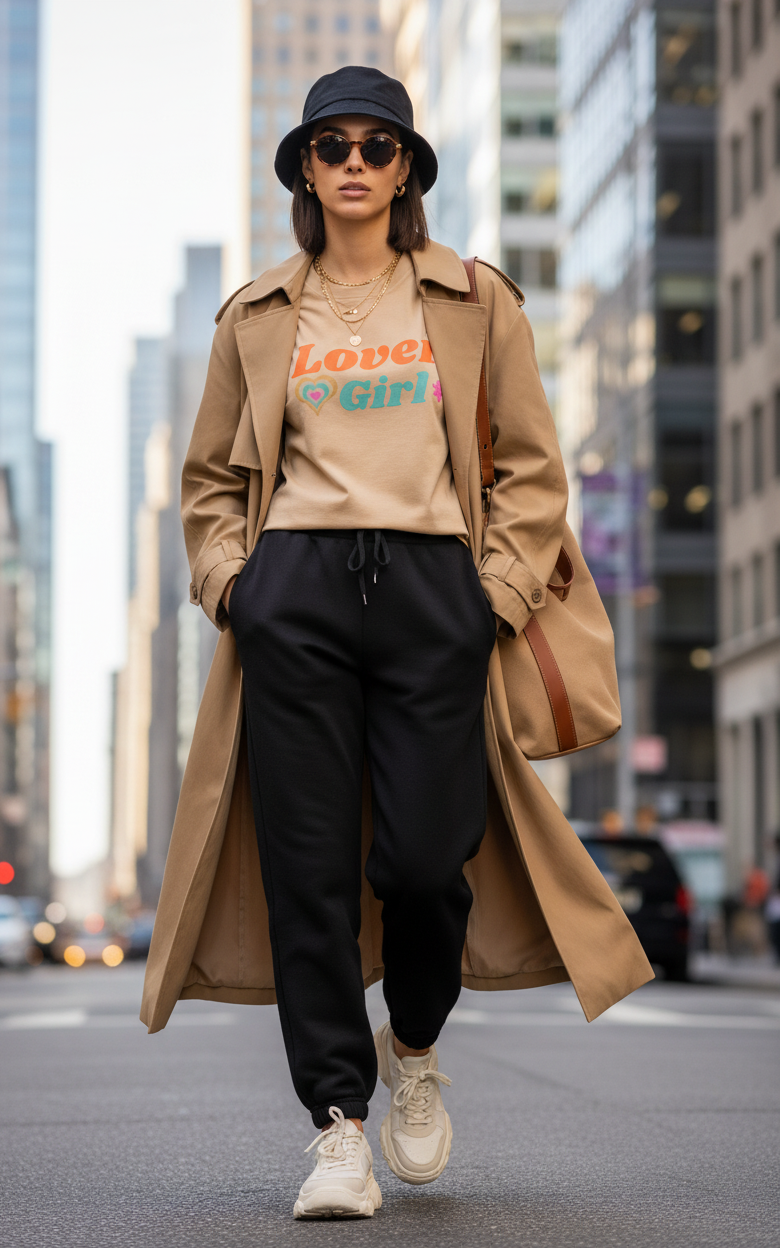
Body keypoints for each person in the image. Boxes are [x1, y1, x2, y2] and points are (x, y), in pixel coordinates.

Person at [140, 65, 653, 1220]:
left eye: (380, 145)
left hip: (435, 596)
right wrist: (237, 587)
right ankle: (336, 1127)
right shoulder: (257, 315)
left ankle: (411, 1043)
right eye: (334, 146)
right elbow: (212, 481)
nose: (357, 163)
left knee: (428, 860)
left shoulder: (474, 299)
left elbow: (530, 467)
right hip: (297, 601)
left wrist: (494, 598)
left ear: (409, 168)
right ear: (306, 171)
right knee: (306, 875)